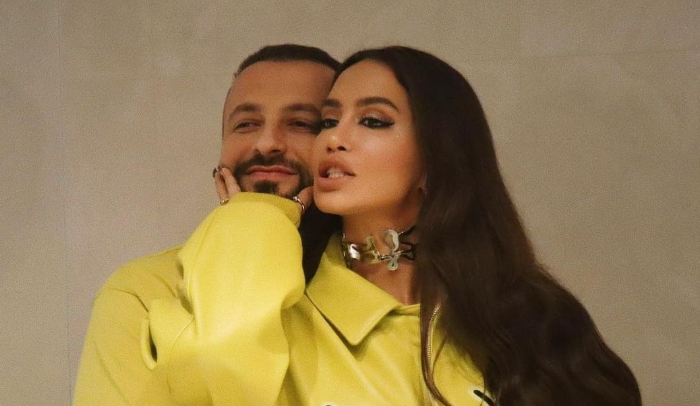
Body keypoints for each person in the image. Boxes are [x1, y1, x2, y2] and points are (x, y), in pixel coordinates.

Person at [143, 46, 642, 405]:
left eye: (373, 121)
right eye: (327, 121)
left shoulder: (533, 318)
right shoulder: (280, 309)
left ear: (435, 158)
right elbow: (211, 383)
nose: (334, 138)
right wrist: (256, 216)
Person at [72, 44, 339, 406]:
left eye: (301, 124)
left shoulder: (379, 284)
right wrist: (256, 219)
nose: (267, 144)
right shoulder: (142, 292)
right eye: (246, 124)